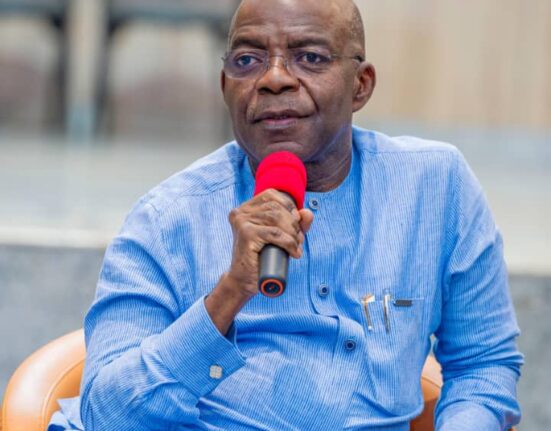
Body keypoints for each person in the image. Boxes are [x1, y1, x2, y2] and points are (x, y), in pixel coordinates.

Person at [49, 0, 523, 430]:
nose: (274, 78)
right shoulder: (167, 219)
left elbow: (482, 365)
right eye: (247, 60)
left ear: (361, 86)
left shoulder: (435, 188)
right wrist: (228, 295)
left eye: (310, 57)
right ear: (225, 87)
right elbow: (105, 415)